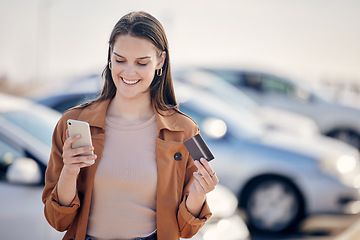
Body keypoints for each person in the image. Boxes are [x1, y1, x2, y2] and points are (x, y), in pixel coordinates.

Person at [42, 11, 218, 240]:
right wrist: (70, 171)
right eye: (120, 60)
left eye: (141, 62)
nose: (129, 72)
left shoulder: (185, 130)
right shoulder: (73, 123)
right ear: (110, 57)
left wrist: (198, 195)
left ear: (160, 61)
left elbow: (186, 230)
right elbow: (58, 220)